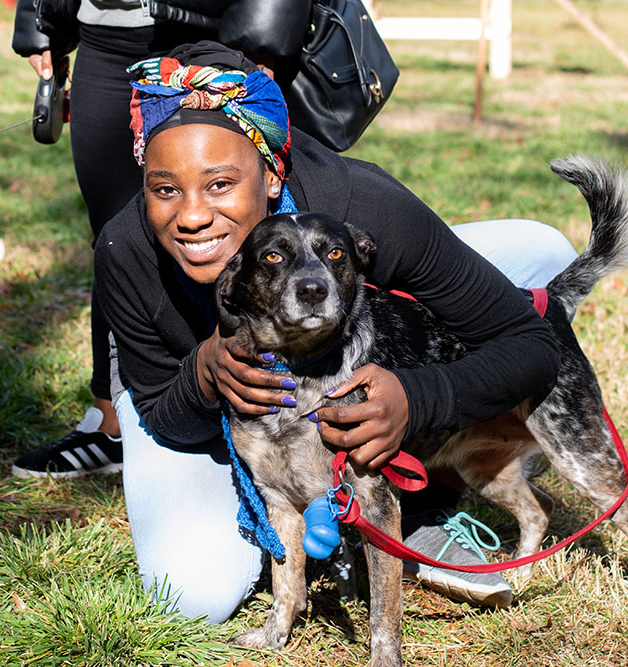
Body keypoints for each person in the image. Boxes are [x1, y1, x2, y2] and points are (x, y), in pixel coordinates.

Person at [94, 41, 580, 619]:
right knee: (192, 598)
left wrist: (420, 400)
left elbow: (533, 346)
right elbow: (158, 411)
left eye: (220, 184)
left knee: (543, 252)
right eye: (165, 188)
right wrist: (203, 377)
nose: (193, 214)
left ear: (271, 174)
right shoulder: (126, 250)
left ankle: (430, 485)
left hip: (357, 324)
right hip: (199, 414)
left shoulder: (360, 201)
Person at [9, 0, 311, 480]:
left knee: (246, 225)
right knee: (120, 237)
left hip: (223, 28)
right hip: (106, 38)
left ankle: (292, 408)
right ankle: (113, 424)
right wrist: (41, 20)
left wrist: (263, 32)